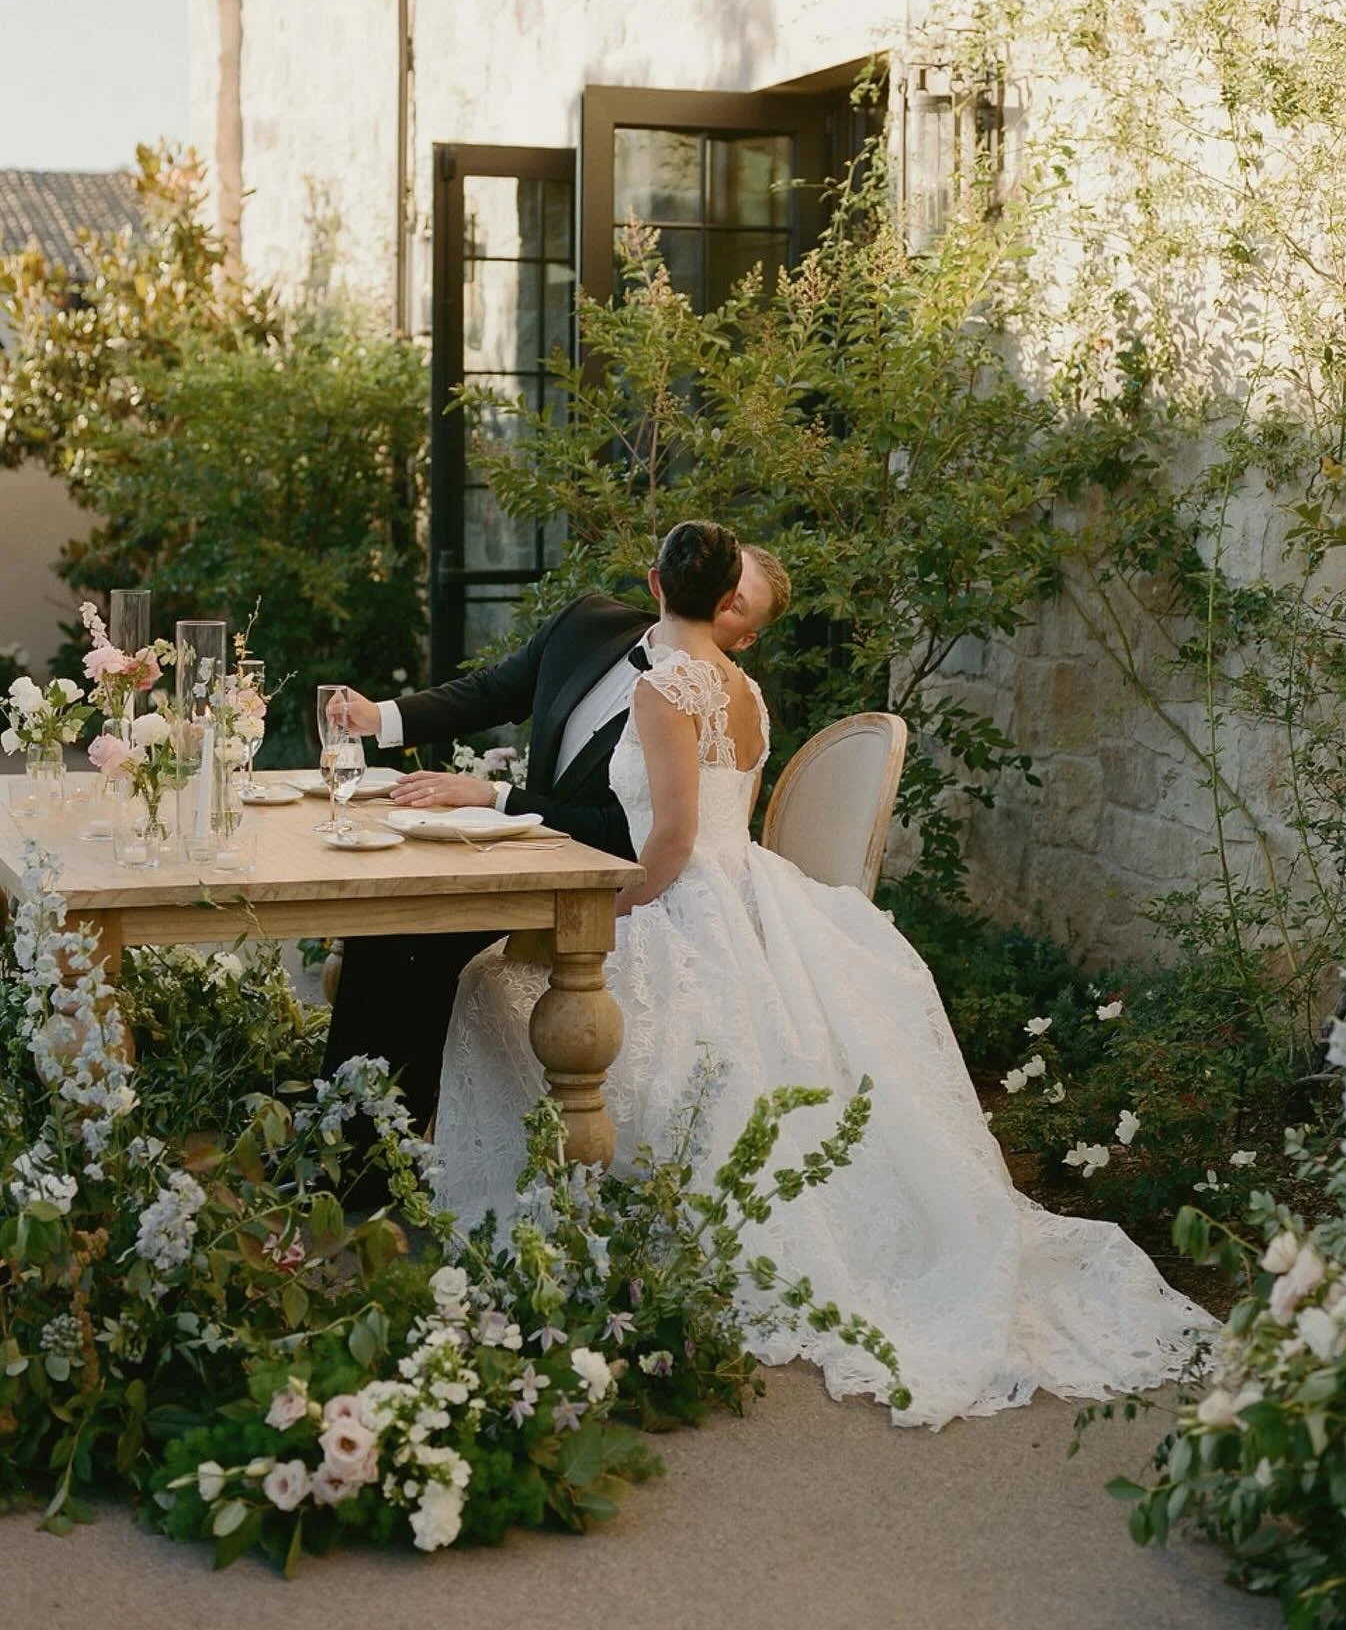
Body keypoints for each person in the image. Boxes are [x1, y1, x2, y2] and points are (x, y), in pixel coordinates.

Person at [435, 521, 1213, 1429]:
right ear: (730, 605)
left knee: (494, 987)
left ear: (655, 584)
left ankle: (580, 1205)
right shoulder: (747, 690)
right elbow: (730, 816)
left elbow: (672, 842)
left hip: (677, 892)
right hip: (747, 887)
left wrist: (612, 912)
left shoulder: (662, 687)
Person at [319, 545, 790, 1198]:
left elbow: (634, 836)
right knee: (388, 922)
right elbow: (491, 691)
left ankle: (375, 1177)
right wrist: (382, 717)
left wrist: (496, 796)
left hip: (606, 892)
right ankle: (342, 1160)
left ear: (742, 634)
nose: (722, 599)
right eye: (725, 582)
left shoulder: (702, 701)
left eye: (739, 603)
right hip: (535, 860)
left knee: (420, 940)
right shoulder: (588, 623)